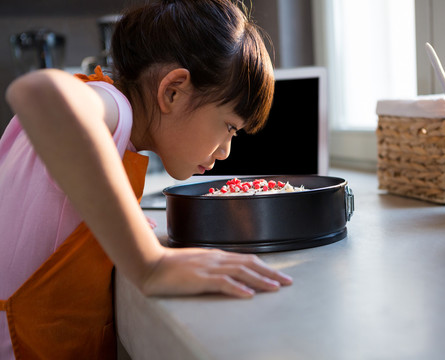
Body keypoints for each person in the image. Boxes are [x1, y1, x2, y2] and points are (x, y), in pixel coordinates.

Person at [0, 0, 292, 358]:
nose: (226, 151)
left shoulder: (122, 139)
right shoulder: (113, 106)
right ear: (174, 91)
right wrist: (149, 263)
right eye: (229, 127)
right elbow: (40, 93)